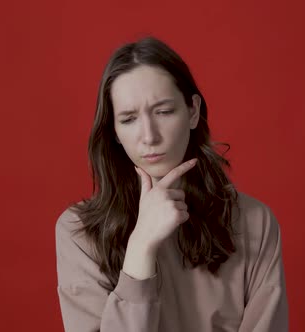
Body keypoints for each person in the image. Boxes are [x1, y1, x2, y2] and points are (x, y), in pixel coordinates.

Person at [55, 36, 288, 332]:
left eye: (164, 112)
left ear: (192, 111)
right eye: (128, 119)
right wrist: (140, 249)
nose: (149, 136)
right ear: (113, 131)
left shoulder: (256, 221)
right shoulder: (78, 232)